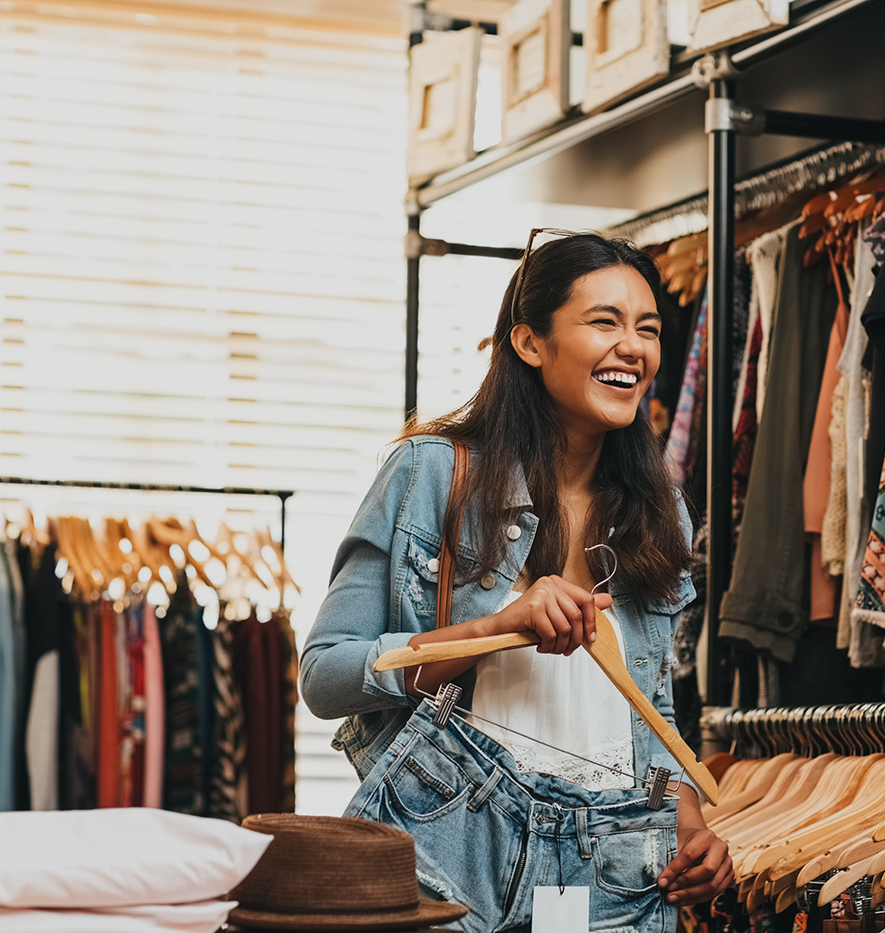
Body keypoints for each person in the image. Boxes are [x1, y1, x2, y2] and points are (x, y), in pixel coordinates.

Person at [300, 231, 731, 932]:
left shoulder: (661, 513)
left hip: (609, 864)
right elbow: (325, 674)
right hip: (450, 843)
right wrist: (495, 628)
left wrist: (690, 827)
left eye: (648, 329)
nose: (634, 347)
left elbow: (651, 716)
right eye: (605, 322)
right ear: (530, 342)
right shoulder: (431, 474)